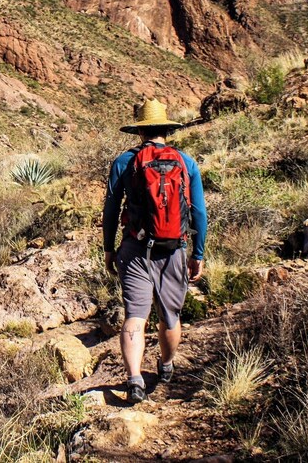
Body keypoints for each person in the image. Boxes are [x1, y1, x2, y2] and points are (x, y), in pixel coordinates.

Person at [102, 99, 208, 403]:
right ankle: (165, 365)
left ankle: (134, 379)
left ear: (140, 132)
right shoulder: (186, 162)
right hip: (173, 249)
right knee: (170, 316)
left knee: (135, 316)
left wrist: (109, 248)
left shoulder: (124, 162)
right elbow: (199, 213)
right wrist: (197, 253)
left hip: (135, 248)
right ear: (166, 129)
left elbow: (111, 210)